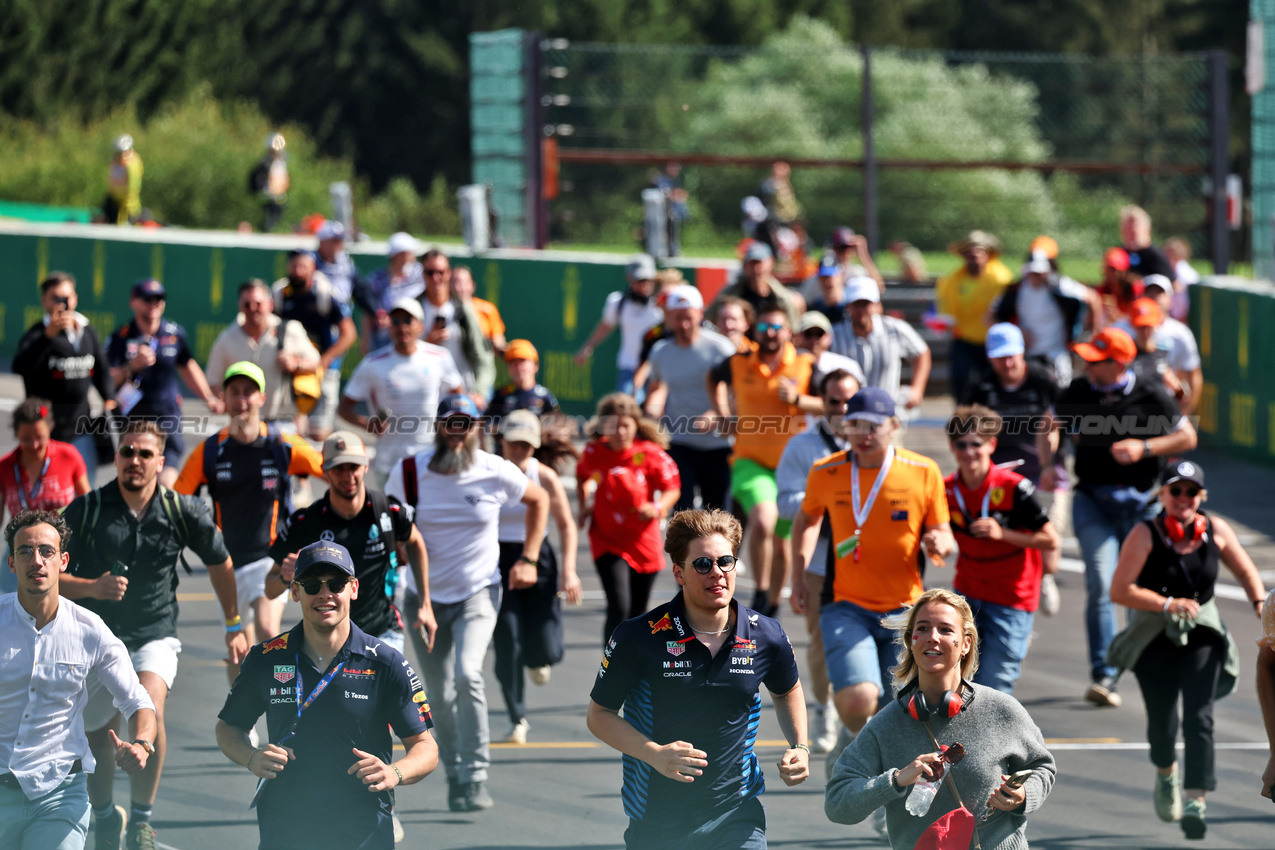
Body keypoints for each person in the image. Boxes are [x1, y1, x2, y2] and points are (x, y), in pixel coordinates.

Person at [59, 421, 247, 850]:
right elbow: (49, 574)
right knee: (97, 735)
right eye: (127, 452)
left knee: (149, 708)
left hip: (154, 633)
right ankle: (106, 816)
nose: (135, 461)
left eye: (145, 454)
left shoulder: (182, 510)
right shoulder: (88, 509)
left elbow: (221, 562)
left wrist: (233, 624)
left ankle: (141, 820)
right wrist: (91, 587)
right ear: (118, 457)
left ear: (161, 462)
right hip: (98, 638)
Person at [587, 508, 809, 849]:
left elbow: (787, 690)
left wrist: (800, 745)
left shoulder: (766, 634)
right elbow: (599, 715)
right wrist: (654, 753)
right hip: (657, 818)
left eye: (726, 561)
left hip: (737, 812)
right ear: (678, 572)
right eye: (703, 565)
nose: (717, 573)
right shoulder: (638, 636)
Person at [215, 541, 438, 850]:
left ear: (354, 588)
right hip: (286, 823)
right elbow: (228, 727)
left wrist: (394, 772)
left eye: (336, 584)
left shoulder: (386, 662)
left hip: (363, 826)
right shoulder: (266, 657)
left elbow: (426, 748)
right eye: (311, 585)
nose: (324, 594)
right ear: (294, 592)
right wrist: (251, 757)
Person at [385, 394, 550, 812]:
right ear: (439, 426)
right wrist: (397, 564)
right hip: (423, 598)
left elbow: (540, 499)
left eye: (466, 424)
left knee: (467, 674)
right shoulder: (409, 471)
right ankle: (456, 772)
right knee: (437, 695)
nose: (458, 433)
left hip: (479, 591)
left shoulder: (494, 470)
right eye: (450, 424)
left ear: (477, 428)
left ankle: (476, 774)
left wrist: (530, 557)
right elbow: (388, 526)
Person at [791, 387, 954, 793]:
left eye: (873, 426)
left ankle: (878, 782)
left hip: (906, 611)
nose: (863, 434)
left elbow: (941, 528)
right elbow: (807, 520)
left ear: (893, 427)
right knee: (859, 699)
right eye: (854, 425)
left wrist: (940, 542)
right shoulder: (827, 471)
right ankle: (856, 743)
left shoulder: (923, 470)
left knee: (898, 710)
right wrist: (797, 576)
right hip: (846, 603)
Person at [1038, 327, 1198, 708]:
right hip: (1093, 499)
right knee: (1100, 582)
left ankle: (1145, 663)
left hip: (1142, 504)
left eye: (1096, 360)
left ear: (1119, 363)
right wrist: (1048, 460)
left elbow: (1187, 437)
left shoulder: (1151, 392)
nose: (1087, 366)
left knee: (1142, 589)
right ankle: (1104, 673)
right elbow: (1050, 424)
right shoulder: (1078, 391)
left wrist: (1144, 446)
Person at [825, 588, 1056, 849]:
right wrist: (896, 779)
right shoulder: (886, 725)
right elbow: (837, 804)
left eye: (945, 630)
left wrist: (1025, 795)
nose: (932, 638)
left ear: (966, 643)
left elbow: (1042, 767)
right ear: (911, 640)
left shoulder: (1002, 710)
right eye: (922, 628)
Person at [1108, 460, 1265, 840]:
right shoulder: (1145, 534)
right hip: (1154, 635)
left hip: (1202, 633)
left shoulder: (1216, 529)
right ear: (1162, 495)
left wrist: (1262, 605)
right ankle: (1166, 773)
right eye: (1175, 491)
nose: (1182, 498)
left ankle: (1196, 798)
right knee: (1163, 724)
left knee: (1200, 716)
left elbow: (1246, 572)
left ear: (1201, 496)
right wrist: (1166, 604)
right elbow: (1120, 590)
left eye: (1190, 492)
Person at [0, 509, 157, 850]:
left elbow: (138, 700)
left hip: (60, 795)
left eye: (47, 551)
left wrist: (142, 743)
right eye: (25, 551)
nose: (36, 560)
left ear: (63, 560)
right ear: (11, 564)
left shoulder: (90, 630)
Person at [174, 362, 324, 686]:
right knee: (239, 648)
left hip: (268, 559)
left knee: (270, 634)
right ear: (224, 399)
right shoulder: (210, 450)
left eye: (248, 392)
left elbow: (334, 472)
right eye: (235, 393)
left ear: (262, 398)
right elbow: (177, 501)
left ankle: (286, 712)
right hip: (225, 564)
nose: (242, 400)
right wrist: (199, 530)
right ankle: (242, 726)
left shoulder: (282, 444)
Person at [265, 431, 431, 659]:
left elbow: (416, 541)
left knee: (382, 693)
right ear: (325, 471)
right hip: (325, 639)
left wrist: (425, 604)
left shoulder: (388, 512)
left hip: (381, 632)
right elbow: (269, 589)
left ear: (365, 467)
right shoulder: (306, 522)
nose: (347, 476)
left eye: (353, 467)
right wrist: (285, 576)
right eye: (338, 469)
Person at [708, 301, 819, 616]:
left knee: (783, 541)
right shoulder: (739, 362)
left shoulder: (806, 364)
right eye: (764, 327)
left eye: (777, 327)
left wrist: (799, 399)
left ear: (789, 331)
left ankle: (770, 604)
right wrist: (723, 414)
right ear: (755, 330)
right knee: (763, 519)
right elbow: (712, 378)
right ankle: (759, 591)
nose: (770, 333)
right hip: (750, 460)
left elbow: (833, 404)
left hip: (791, 468)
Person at [944, 406, 1059, 694]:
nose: (969, 452)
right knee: (958, 683)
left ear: (991, 444)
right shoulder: (944, 489)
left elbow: (1050, 539)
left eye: (976, 444)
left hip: (1011, 596)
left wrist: (1002, 533)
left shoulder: (1015, 487)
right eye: (961, 445)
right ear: (952, 447)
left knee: (994, 686)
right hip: (967, 594)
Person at [776, 369, 856, 754]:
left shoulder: (875, 446)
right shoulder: (802, 446)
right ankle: (826, 709)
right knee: (821, 642)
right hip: (820, 561)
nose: (841, 409)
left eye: (848, 401)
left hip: (866, 564)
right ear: (821, 403)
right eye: (834, 401)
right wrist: (825, 505)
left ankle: (860, 717)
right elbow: (785, 503)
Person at [960, 323, 1065, 614]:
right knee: (1003, 541)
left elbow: (1061, 422)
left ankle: (1045, 578)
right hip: (1000, 475)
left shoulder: (1044, 380)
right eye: (999, 357)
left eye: (1011, 356)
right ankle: (1016, 604)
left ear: (1022, 352)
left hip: (1042, 469)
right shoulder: (981, 386)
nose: (1006, 363)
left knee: (1049, 546)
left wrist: (1051, 463)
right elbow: (964, 428)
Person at [493, 411, 582, 744]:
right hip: (497, 560)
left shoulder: (543, 476)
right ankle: (517, 718)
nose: (519, 451)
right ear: (502, 441)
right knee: (507, 641)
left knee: (545, 648)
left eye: (526, 446)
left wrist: (570, 570)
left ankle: (538, 657)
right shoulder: (488, 472)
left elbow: (566, 525)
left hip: (539, 558)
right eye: (513, 443)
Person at [576, 393, 681, 642]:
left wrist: (657, 508)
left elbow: (673, 488)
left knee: (637, 614)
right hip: (607, 540)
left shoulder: (650, 453)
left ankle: (634, 668)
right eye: (613, 426)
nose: (620, 432)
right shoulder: (593, 452)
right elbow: (582, 476)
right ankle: (609, 668)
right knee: (618, 607)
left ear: (636, 425)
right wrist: (583, 505)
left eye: (626, 425)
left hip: (643, 541)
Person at [107, 278, 224, 484]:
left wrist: (208, 397)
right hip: (133, 423)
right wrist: (131, 366)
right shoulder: (121, 336)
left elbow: (187, 366)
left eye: (159, 298)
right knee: (136, 482)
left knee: (165, 486)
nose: (154, 303)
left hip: (166, 418)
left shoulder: (174, 333)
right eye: (148, 298)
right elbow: (107, 380)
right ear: (133, 302)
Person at [338, 298, 463, 488]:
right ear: (389, 326)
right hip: (389, 462)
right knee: (391, 516)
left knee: (426, 517)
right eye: (396, 321)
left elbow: (459, 400)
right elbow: (344, 408)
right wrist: (366, 424)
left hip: (429, 458)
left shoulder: (439, 357)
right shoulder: (373, 363)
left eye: (408, 320)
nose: (402, 327)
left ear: (420, 326)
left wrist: (448, 428)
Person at [12, 272, 117, 484]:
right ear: (44, 301)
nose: (63, 303)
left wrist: (109, 398)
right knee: (49, 493)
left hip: (81, 428)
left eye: (67, 297)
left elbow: (102, 370)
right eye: (56, 298)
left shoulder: (87, 332)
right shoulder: (37, 334)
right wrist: (47, 337)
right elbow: (20, 366)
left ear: (75, 298)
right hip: (46, 433)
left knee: (85, 492)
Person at [643, 285, 737, 514]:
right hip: (678, 441)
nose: (683, 324)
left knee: (716, 514)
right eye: (677, 318)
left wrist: (716, 414)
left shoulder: (721, 348)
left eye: (689, 318)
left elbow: (738, 393)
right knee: (683, 514)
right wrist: (651, 413)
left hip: (717, 445)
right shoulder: (661, 352)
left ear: (700, 315)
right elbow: (656, 387)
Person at [0, 400, 91, 595]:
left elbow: (89, 505)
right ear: (16, 434)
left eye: (39, 437)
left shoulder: (69, 456)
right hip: (21, 552)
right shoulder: (5, 466)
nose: (34, 445)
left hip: (62, 549)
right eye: (26, 438)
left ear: (50, 429)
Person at [206, 279, 321, 430]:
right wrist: (228, 403)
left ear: (270, 305)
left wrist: (295, 363)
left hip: (283, 421)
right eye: (247, 304)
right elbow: (213, 379)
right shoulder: (227, 338)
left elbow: (315, 362)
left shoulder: (289, 330)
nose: (253, 308)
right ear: (240, 306)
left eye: (258, 303)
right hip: (244, 422)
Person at [273, 251, 357, 442]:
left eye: (303, 266)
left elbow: (349, 333)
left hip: (322, 369)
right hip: (291, 370)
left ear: (313, 269)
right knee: (291, 430)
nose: (298, 271)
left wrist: (327, 358)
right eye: (294, 266)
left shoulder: (324, 294)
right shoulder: (280, 295)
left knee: (319, 432)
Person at [829, 276, 931, 418]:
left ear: (876, 304)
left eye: (866, 304)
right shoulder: (834, 334)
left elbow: (921, 352)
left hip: (888, 413)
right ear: (848, 305)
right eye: (856, 304)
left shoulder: (894, 329)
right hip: (848, 414)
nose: (861, 310)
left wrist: (917, 389)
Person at [992, 248, 1095, 386]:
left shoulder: (1059, 286)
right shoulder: (1016, 290)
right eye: (1033, 272)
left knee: (1061, 392)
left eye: (1040, 273)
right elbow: (990, 316)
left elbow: (1092, 298)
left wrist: (1089, 332)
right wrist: (1015, 332)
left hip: (1056, 353)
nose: (1036, 277)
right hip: (1028, 355)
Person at [935, 230, 1014, 401]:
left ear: (988, 255)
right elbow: (946, 313)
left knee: (994, 383)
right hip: (965, 340)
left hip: (993, 342)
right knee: (961, 381)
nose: (974, 256)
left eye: (979, 251)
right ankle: (963, 419)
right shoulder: (953, 281)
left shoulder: (1000, 279)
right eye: (970, 253)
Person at [575, 255, 665, 396]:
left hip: (657, 369)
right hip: (628, 367)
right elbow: (605, 326)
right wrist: (587, 348)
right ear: (629, 278)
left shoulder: (662, 304)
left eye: (647, 280)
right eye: (639, 280)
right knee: (624, 410)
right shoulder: (617, 303)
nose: (644, 285)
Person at [418, 250, 496, 402]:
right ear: (423, 273)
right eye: (430, 272)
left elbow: (482, 356)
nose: (436, 278)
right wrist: (427, 344)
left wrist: (479, 392)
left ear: (448, 273)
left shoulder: (463, 309)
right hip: (425, 395)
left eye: (441, 272)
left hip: (462, 395)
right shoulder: (414, 308)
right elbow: (402, 355)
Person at [1122, 280, 1204, 415]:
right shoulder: (1123, 346)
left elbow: (1185, 384)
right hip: (1129, 412)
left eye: (1148, 326)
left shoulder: (1164, 353)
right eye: (1141, 326)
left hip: (1161, 413)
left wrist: (1183, 412)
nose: (1145, 331)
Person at [706, 242, 803, 331]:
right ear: (744, 265)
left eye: (760, 263)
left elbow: (794, 330)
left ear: (771, 263)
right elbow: (710, 319)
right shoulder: (729, 294)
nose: (756, 269)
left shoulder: (783, 297)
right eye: (752, 263)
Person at [364, 233, 426, 352]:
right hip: (383, 338)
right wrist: (366, 339)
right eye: (409, 253)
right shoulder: (378, 278)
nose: (413, 256)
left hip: (414, 335)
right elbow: (367, 311)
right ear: (398, 255)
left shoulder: (420, 274)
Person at [485, 339, 561, 428]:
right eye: (513, 362)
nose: (518, 367)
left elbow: (556, 426)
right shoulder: (500, 395)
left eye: (522, 361)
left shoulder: (544, 396)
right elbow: (484, 422)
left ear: (535, 366)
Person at [794, 310, 866, 393]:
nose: (814, 340)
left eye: (819, 334)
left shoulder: (846, 367)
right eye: (808, 334)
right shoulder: (787, 363)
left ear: (829, 337)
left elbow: (860, 398)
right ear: (797, 336)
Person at [314, 220, 374, 316]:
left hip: (342, 317)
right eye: (334, 241)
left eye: (340, 240)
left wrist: (376, 311)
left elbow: (361, 292)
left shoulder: (346, 264)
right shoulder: (309, 263)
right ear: (322, 241)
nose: (339, 244)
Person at [451, 265, 507, 353]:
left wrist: (498, 344)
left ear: (473, 285)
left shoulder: (487, 309)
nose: (459, 287)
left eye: (464, 282)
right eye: (454, 282)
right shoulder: (444, 308)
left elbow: (498, 337)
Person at [1119, 205, 1175, 280]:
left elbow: (1173, 285)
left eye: (1134, 232)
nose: (1130, 230)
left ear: (1148, 230)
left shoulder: (1155, 256)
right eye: (1127, 231)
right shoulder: (1119, 254)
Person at [249, 133, 289, 232]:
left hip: (279, 196)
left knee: (277, 217)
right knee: (268, 221)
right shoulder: (265, 164)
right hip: (268, 196)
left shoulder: (281, 163)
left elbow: (284, 180)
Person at [104, 135, 142, 225]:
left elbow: (132, 186)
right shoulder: (115, 162)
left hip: (128, 204)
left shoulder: (132, 163)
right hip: (115, 201)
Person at [1163, 236, 1198, 321]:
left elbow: (1182, 307)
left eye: (1169, 255)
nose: (1165, 258)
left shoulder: (1186, 275)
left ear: (1178, 256)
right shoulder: (1168, 270)